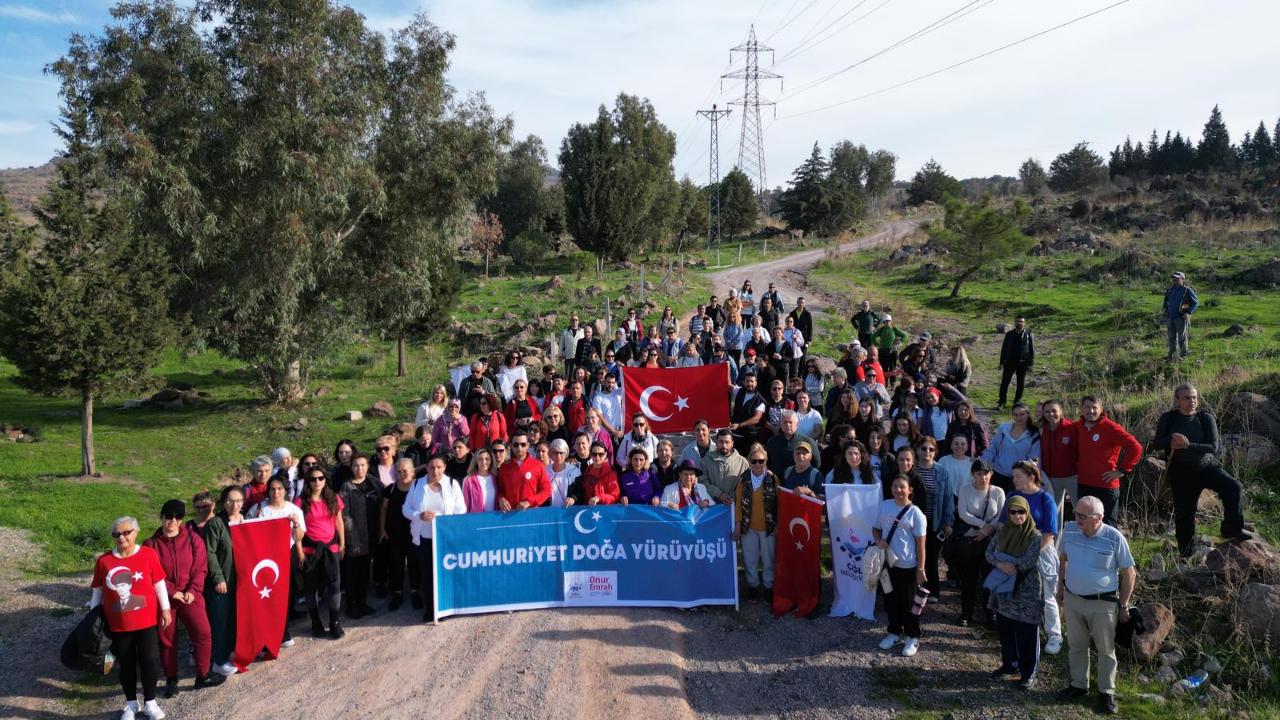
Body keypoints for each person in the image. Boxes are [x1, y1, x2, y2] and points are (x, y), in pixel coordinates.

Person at [1056, 496, 1137, 715]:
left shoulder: (1114, 537)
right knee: (1076, 644)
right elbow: (1063, 558)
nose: (1077, 519)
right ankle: (1078, 685)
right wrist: (1060, 588)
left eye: (1083, 516)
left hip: (1103, 603)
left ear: (1099, 518)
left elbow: (1129, 572)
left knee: (1105, 649)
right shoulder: (1070, 530)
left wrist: (1124, 604)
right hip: (1073, 599)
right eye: (1076, 514)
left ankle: (1106, 692)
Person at [91, 516, 172, 720]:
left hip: (146, 623)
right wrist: (92, 619)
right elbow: (98, 592)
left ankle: (150, 702)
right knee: (126, 665)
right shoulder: (104, 561)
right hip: (118, 625)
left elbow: (159, 584)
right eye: (117, 534)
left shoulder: (148, 554)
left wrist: (165, 609)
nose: (122, 537)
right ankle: (131, 704)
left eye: (127, 532)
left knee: (150, 662)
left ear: (136, 532)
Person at [1153, 383, 1248, 556]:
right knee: (1185, 514)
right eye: (1187, 398)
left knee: (1234, 487)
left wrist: (1188, 445)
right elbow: (1157, 443)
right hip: (1180, 472)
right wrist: (1170, 439)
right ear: (1177, 400)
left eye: (1194, 397)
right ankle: (1186, 554)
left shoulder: (1205, 418)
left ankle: (1231, 529)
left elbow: (1213, 447)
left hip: (1206, 467)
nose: (1192, 401)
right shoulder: (1169, 418)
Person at [143, 500, 219, 698]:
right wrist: (171, 592)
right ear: (162, 517)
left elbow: (200, 568)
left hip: (190, 595)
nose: (173, 521)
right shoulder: (150, 545)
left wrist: (193, 590)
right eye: (169, 516)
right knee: (167, 639)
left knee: (203, 632)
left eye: (178, 517)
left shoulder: (194, 540)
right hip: (165, 598)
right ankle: (171, 678)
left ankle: (202, 675)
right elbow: (151, 574)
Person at [1000, 460, 1063, 655]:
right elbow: (1003, 524)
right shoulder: (1012, 496)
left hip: (1042, 553)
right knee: (1018, 593)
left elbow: (1050, 532)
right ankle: (1022, 632)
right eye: (1014, 476)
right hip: (1015, 552)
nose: (1014, 480)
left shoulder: (1045, 499)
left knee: (1047, 595)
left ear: (1031, 477)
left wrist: (1031, 554)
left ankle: (1055, 635)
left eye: (1018, 476)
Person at [987, 495, 1044, 690]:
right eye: (1013, 512)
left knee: (1027, 632)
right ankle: (1010, 665)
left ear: (1027, 513)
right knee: (1006, 629)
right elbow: (988, 553)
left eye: (1022, 512)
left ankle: (1029, 673)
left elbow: (1028, 561)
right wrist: (1000, 563)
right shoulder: (1002, 532)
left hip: (1026, 593)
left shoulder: (1035, 536)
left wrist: (1002, 560)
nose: (1017, 516)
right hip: (1004, 590)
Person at [403, 455, 466, 623]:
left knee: (445, 573)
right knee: (428, 574)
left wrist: (446, 522)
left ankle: (445, 607)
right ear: (427, 468)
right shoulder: (417, 484)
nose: (435, 471)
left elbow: (461, 510)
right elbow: (406, 509)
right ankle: (431, 608)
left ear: (445, 467)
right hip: (424, 538)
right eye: (431, 467)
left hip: (446, 539)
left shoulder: (452, 484)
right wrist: (419, 515)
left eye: (439, 467)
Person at [873, 475, 929, 658]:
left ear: (910, 490)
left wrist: (920, 569)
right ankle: (894, 632)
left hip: (907, 566)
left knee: (908, 604)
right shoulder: (885, 506)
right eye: (895, 486)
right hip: (887, 564)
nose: (898, 490)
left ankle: (913, 636)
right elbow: (876, 528)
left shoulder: (916, 513)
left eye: (902, 487)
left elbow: (921, 544)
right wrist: (879, 540)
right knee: (890, 600)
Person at [246, 476, 306, 641]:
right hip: (264, 558)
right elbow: (247, 531)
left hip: (287, 555)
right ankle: (266, 631)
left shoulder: (294, 510)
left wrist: (295, 524)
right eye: (273, 489)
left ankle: (284, 632)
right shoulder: (258, 509)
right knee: (267, 596)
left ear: (285, 490)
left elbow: (299, 536)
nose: (276, 492)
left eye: (280, 489)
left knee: (285, 595)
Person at [188, 490, 238, 677]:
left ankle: (224, 652)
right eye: (199, 507)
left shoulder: (220, 522)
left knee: (224, 618)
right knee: (210, 620)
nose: (203, 510)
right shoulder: (190, 527)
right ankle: (213, 657)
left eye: (206, 506)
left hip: (222, 577)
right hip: (203, 578)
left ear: (214, 505)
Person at [951, 459, 1004, 627]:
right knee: (969, 579)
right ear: (973, 475)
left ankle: (991, 615)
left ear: (991, 474)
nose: (983, 477)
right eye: (979, 474)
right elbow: (963, 513)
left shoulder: (998, 492)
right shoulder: (965, 490)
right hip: (970, 540)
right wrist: (982, 526)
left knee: (989, 579)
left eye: (986, 473)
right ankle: (966, 613)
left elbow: (1001, 516)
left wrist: (987, 530)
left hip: (990, 541)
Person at [1075, 396, 1142, 525]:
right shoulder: (1078, 427)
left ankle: (1112, 546)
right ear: (1081, 409)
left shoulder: (1111, 427)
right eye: (1087, 407)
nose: (1091, 411)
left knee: (1107, 525)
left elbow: (1136, 448)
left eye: (1095, 407)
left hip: (1106, 485)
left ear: (1101, 409)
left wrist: (1122, 470)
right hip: (1084, 484)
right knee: (1085, 523)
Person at [295, 467, 345, 639]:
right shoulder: (301, 502)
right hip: (310, 550)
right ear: (308, 481)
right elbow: (296, 529)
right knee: (311, 588)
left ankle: (334, 621)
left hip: (330, 548)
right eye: (313, 479)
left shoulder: (333, 497)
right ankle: (315, 621)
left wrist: (342, 542)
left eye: (320, 478)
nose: (317, 482)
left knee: (334, 585)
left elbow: (338, 520)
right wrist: (300, 552)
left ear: (325, 479)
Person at [734, 444, 780, 600]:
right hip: (749, 527)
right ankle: (752, 585)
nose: (758, 464)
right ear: (749, 461)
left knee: (768, 559)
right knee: (750, 558)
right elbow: (739, 504)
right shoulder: (743, 479)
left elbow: (779, 503)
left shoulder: (773, 478)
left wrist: (778, 524)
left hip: (768, 526)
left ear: (766, 461)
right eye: (754, 461)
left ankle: (769, 586)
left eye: (761, 461)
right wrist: (738, 525)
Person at [339, 454, 381, 618]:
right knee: (352, 573)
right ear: (351, 468)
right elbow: (345, 515)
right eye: (356, 466)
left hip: (372, 535)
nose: (359, 469)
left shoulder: (374, 482)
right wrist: (352, 538)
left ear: (368, 465)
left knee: (364, 572)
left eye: (363, 465)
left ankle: (362, 602)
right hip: (355, 538)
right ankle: (351, 604)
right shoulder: (346, 487)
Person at [914, 437, 954, 599]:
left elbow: (948, 498)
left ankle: (932, 590)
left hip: (934, 521)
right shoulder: (912, 468)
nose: (927, 452)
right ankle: (914, 588)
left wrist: (947, 522)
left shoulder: (942, 471)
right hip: (913, 521)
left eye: (931, 449)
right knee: (913, 555)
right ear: (917, 450)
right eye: (923, 448)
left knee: (931, 556)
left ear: (935, 451)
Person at [381, 459, 421, 611]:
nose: (402, 474)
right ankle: (397, 593)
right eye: (399, 471)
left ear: (412, 471)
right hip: (394, 533)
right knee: (395, 564)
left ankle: (415, 591)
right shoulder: (390, 489)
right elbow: (384, 509)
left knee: (414, 563)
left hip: (414, 533)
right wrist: (382, 529)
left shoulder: (419, 487)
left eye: (405, 470)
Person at [982, 403, 1041, 493]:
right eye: (1015, 415)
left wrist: (1027, 475)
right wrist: (983, 463)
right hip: (998, 473)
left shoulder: (1033, 435)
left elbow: (1033, 458)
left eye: (1022, 414)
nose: (1019, 417)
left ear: (1028, 415)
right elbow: (993, 449)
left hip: (1019, 478)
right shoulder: (1004, 429)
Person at [1039, 400, 1079, 527]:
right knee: (1053, 512)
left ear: (1061, 411)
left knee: (1079, 510)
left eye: (1054, 410)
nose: (1051, 414)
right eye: (1047, 411)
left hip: (1072, 476)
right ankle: (1054, 544)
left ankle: (1082, 542)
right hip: (1051, 478)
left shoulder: (1071, 428)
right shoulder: (1042, 430)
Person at [497, 430, 551, 511]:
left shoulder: (538, 465)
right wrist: (500, 499)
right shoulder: (504, 467)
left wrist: (529, 502)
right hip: (509, 516)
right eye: (516, 445)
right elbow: (499, 489)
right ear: (511, 446)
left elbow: (547, 490)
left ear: (528, 446)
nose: (519, 448)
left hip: (530, 514)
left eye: (523, 444)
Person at [703, 428, 749, 507]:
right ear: (716, 442)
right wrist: (719, 494)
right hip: (712, 506)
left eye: (727, 442)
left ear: (732, 443)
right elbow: (702, 482)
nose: (724, 445)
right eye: (721, 442)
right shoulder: (706, 460)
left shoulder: (743, 462)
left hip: (735, 505)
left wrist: (733, 495)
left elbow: (745, 485)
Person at [997, 317, 1035, 410]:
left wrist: (1031, 364)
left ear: (1024, 323)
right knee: (1004, 383)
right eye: (1018, 321)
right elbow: (1004, 349)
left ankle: (1017, 402)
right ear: (1015, 322)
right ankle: (1002, 402)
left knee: (1020, 384)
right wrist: (1001, 362)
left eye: (1021, 321)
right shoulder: (1009, 334)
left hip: (1022, 363)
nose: (1019, 323)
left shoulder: (1029, 335)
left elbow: (1031, 350)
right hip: (1009, 362)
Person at [1162, 271, 1199, 361]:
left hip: (1181, 317)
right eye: (1173, 278)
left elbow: (1195, 303)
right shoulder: (1170, 289)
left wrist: (1188, 312)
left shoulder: (1187, 290)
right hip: (1170, 317)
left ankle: (1183, 355)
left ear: (1182, 279)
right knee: (1171, 337)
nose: (1174, 279)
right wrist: (1164, 310)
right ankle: (1171, 355)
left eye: (1177, 278)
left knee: (1182, 337)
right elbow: (1166, 301)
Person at [728, 371, 767, 457]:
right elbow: (728, 386)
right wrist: (727, 368)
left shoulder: (760, 400)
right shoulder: (739, 391)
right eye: (747, 381)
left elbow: (756, 418)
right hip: (735, 435)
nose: (749, 384)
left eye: (752, 381)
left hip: (749, 437)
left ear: (756, 383)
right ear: (743, 382)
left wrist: (740, 425)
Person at [459, 447, 498, 512]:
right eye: (480, 459)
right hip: (476, 519)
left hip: (494, 519)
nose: (484, 462)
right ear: (476, 461)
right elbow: (465, 505)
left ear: (491, 461)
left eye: (487, 459)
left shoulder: (496, 478)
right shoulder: (468, 480)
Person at [546, 439, 582, 507]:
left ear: (566, 454)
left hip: (568, 512)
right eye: (555, 452)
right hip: (549, 512)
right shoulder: (545, 470)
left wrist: (573, 498)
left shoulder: (574, 470)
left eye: (561, 453)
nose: (558, 456)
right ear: (550, 454)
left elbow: (580, 492)